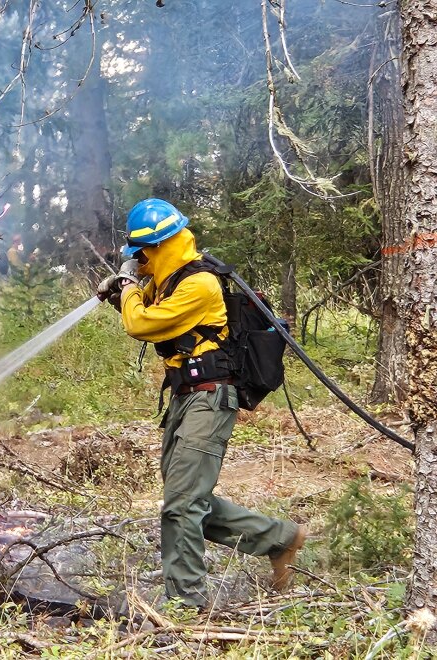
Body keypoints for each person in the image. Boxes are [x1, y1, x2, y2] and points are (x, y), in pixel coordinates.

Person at [97, 198, 306, 611]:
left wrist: (126, 291)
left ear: (160, 246)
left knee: (182, 503)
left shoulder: (199, 284)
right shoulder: (167, 276)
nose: (138, 261)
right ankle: (280, 538)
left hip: (209, 398)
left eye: (142, 253)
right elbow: (146, 302)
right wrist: (121, 285)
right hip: (184, 397)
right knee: (185, 497)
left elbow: (140, 323)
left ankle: (186, 605)